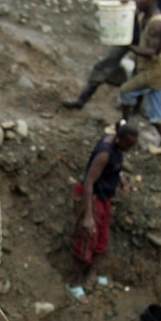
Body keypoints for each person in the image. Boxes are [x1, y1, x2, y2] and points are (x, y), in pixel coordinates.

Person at [66, 123, 139, 304]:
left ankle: (92, 274)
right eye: (128, 145)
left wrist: (120, 179)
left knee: (101, 239)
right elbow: (89, 182)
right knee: (86, 239)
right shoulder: (104, 153)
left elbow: (116, 165)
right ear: (120, 140)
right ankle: (74, 282)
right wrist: (89, 216)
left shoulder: (116, 146)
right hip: (93, 198)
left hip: (104, 198)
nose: (129, 149)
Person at [117, 0, 161, 154]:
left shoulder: (157, 24)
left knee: (126, 91)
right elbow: (129, 14)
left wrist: (129, 46)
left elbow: (152, 52)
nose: (138, 0)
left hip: (159, 70)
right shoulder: (146, 15)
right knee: (154, 107)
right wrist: (125, 4)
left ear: (153, 0)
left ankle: (123, 128)